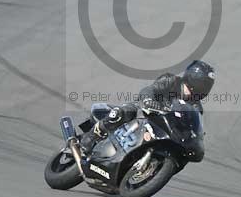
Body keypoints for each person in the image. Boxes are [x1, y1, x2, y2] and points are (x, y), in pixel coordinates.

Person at [82, 60, 216, 151]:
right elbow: (151, 90)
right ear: (193, 77)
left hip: (163, 128)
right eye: (204, 84)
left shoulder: (196, 106)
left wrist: (196, 137)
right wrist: (148, 101)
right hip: (144, 111)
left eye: (207, 85)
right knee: (120, 113)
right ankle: (90, 138)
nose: (205, 88)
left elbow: (193, 126)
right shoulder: (171, 80)